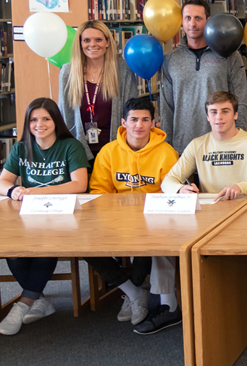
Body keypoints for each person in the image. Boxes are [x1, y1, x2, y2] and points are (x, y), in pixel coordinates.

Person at [156, 91, 247, 335]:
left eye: (225, 111)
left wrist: (242, 186)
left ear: (236, 114)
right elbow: (167, 181)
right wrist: (181, 188)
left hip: (245, 215)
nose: (219, 117)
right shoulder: (198, 144)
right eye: (213, 112)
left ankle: (239, 307)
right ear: (207, 116)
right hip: (208, 217)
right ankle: (185, 307)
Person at [0, 98, 89, 335]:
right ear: (27, 123)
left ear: (56, 121)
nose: (39, 124)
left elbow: (79, 184)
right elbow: (2, 182)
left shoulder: (70, 146)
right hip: (28, 216)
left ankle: (23, 304)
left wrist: (37, 191)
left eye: (46, 118)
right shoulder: (21, 147)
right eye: (34, 119)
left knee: (45, 249)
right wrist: (13, 190)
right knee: (12, 252)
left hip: (62, 216)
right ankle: (39, 299)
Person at [85, 97, 179, 326]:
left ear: (153, 123)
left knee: (152, 242)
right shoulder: (108, 152)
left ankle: (137, 291)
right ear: (123, 122)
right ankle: (134, 291)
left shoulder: (167, 153)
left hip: (152, 220)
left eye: (145, 120)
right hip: (117, 219)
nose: (139, 125)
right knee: (85, 245)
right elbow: (98, 191)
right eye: (134, 119)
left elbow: (170, 193)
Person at [159, 0, 247, 154]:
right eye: (188, 18)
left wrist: (238, 140)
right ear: (182, 21)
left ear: (208, 20)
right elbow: (166, 106)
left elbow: (240, 99)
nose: (192, 24)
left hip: (222, 145)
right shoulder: (171, 59)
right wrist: (167, 145)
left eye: (198, 18)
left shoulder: (229, 55)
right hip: (182, 147)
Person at [56, 20, 139, 160]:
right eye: (86, 40)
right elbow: (65, 116)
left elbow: (132, 112)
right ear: (80, 43)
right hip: (77, 152)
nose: (92, 44)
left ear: (107, 42)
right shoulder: (67, 72)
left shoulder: (123, 71)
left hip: (116, 152)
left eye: (98, 39)